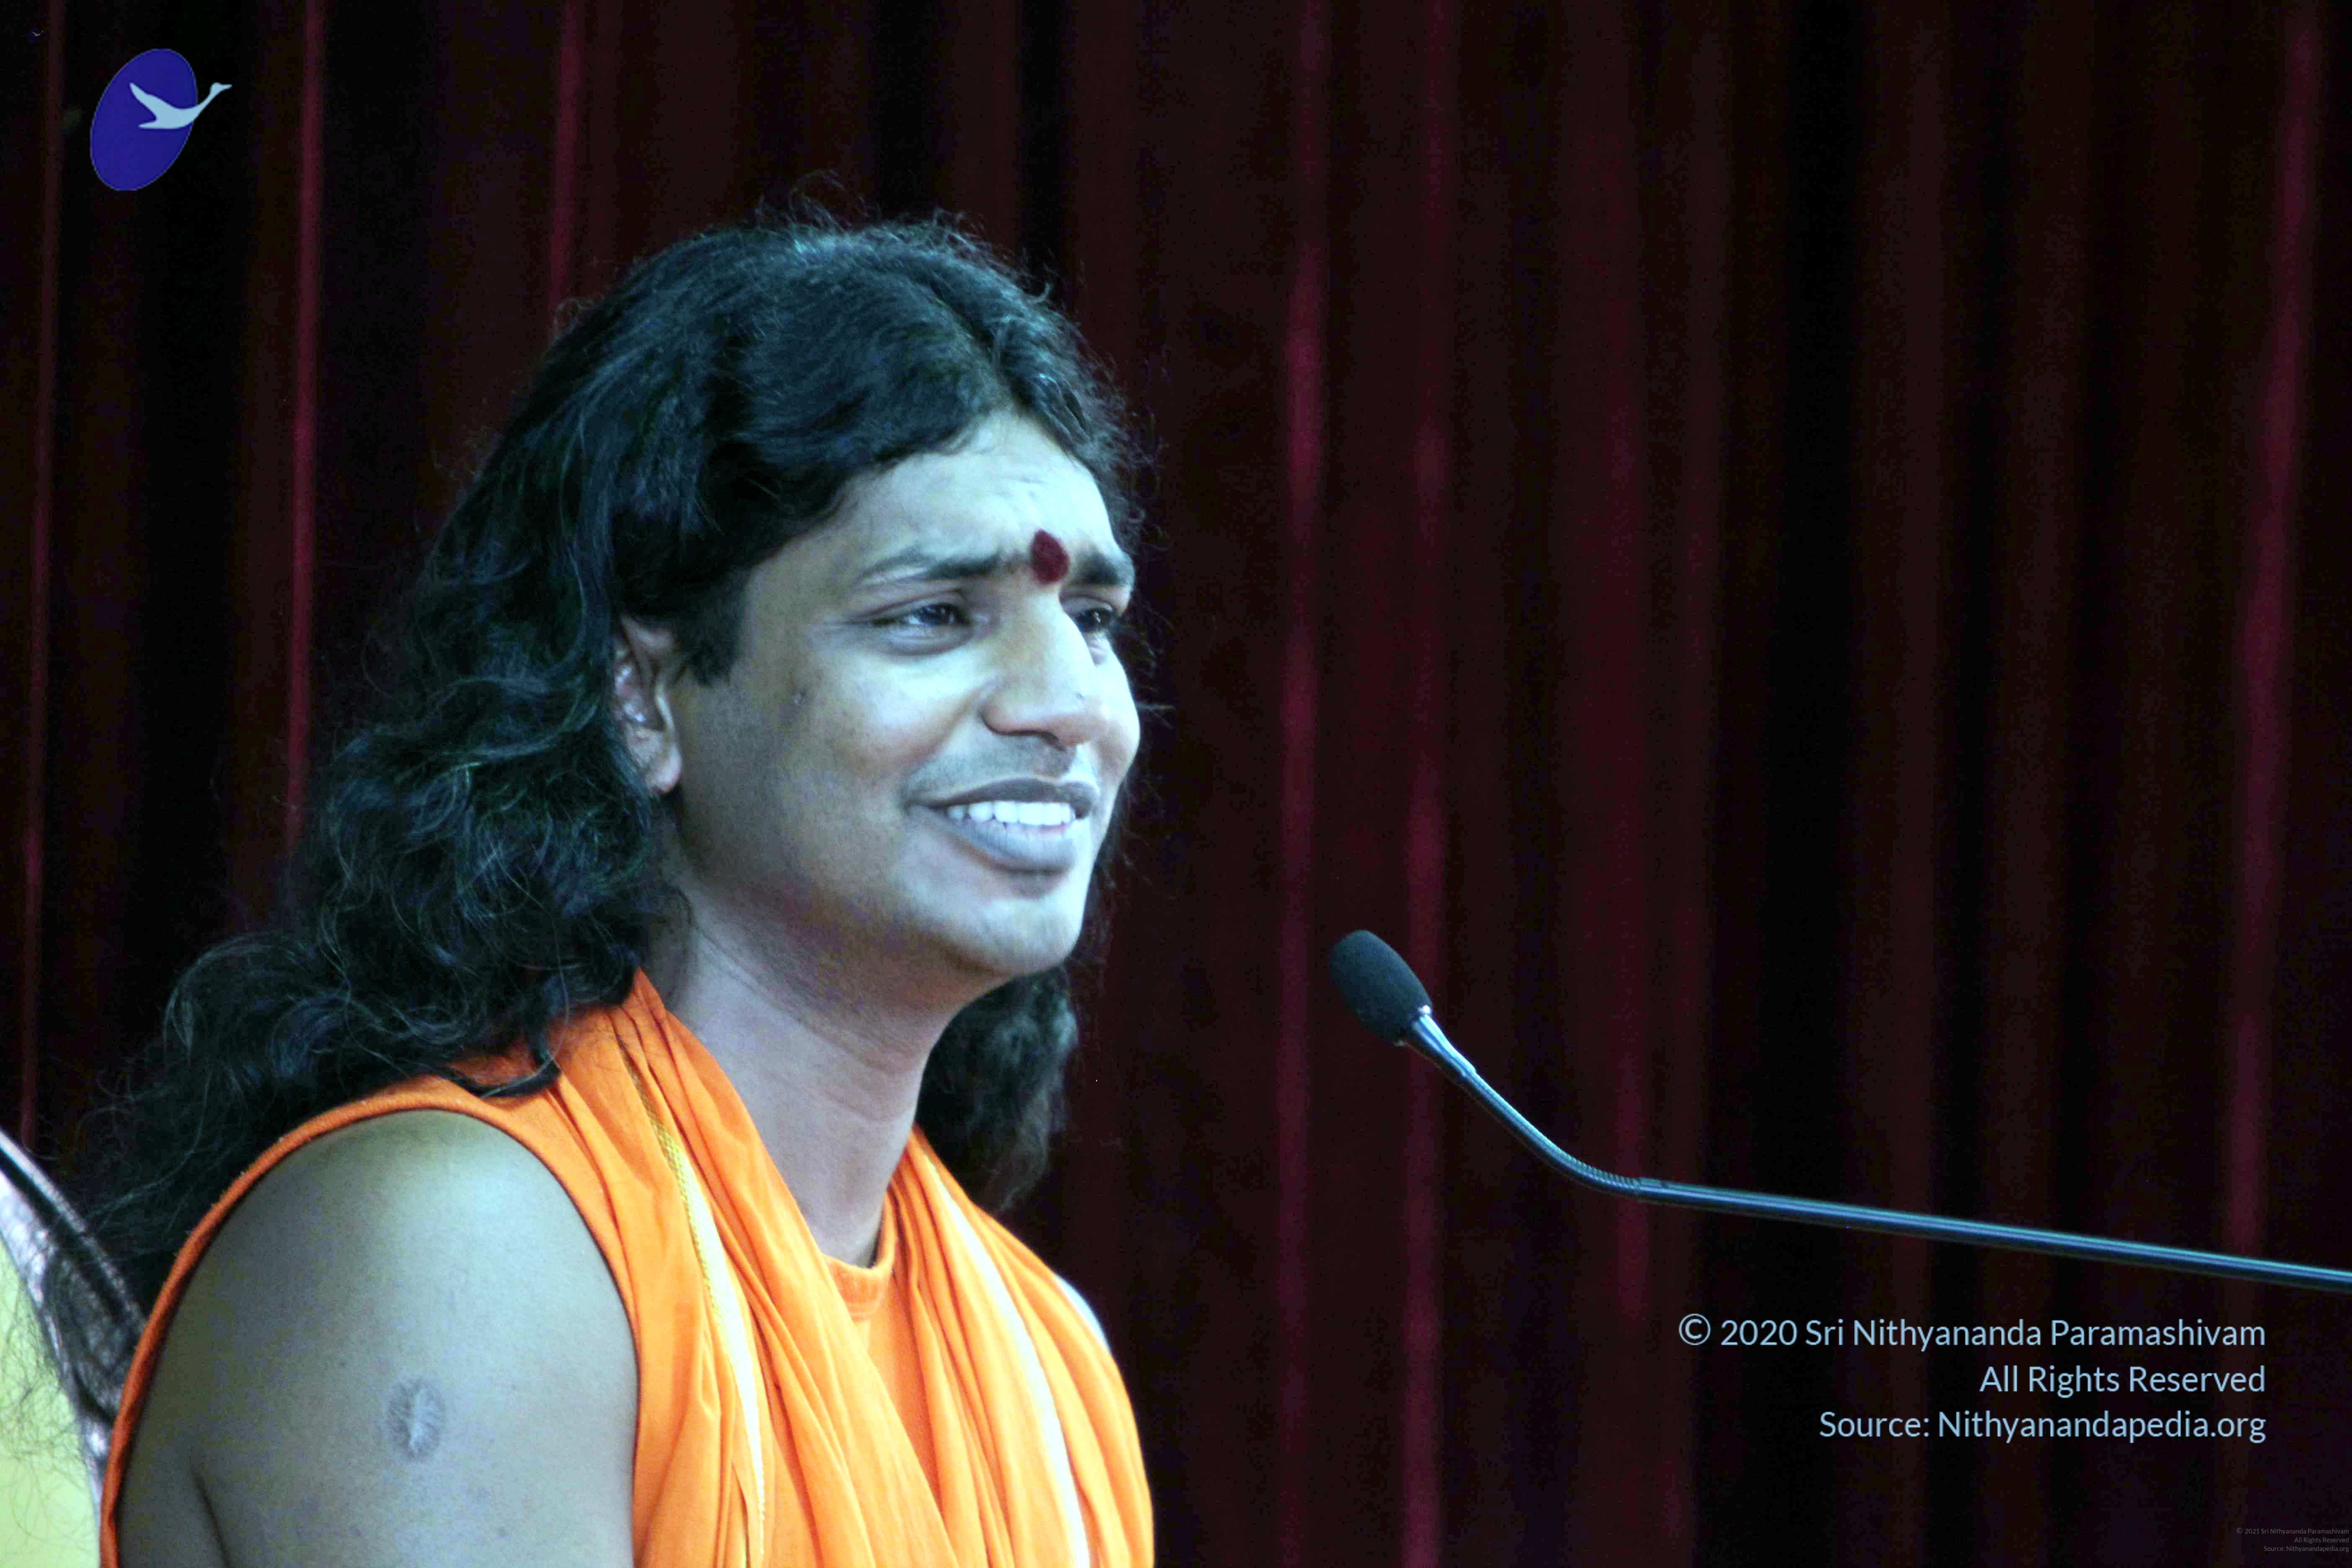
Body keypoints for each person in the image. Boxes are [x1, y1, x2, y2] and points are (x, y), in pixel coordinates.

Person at [56, 214, 1156, 1565]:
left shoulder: (1048, 1368)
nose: (1070, 705)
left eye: (1090, 622)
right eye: (931, 616)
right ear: (642, 697)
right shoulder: (459, 1247)